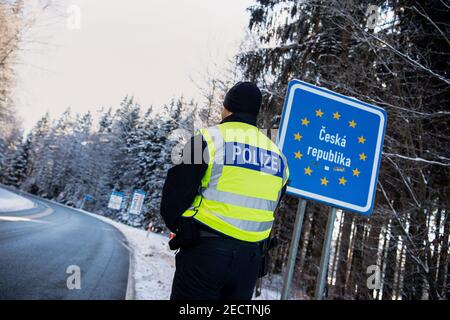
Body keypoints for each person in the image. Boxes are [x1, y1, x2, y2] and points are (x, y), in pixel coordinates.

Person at [160, 81, 289, 300]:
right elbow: (271, 204)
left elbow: (175, 193)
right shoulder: (279, 157)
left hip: (205, 252)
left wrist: (179, 226)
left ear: (227, 107)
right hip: (249, 262)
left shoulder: (207, 138)